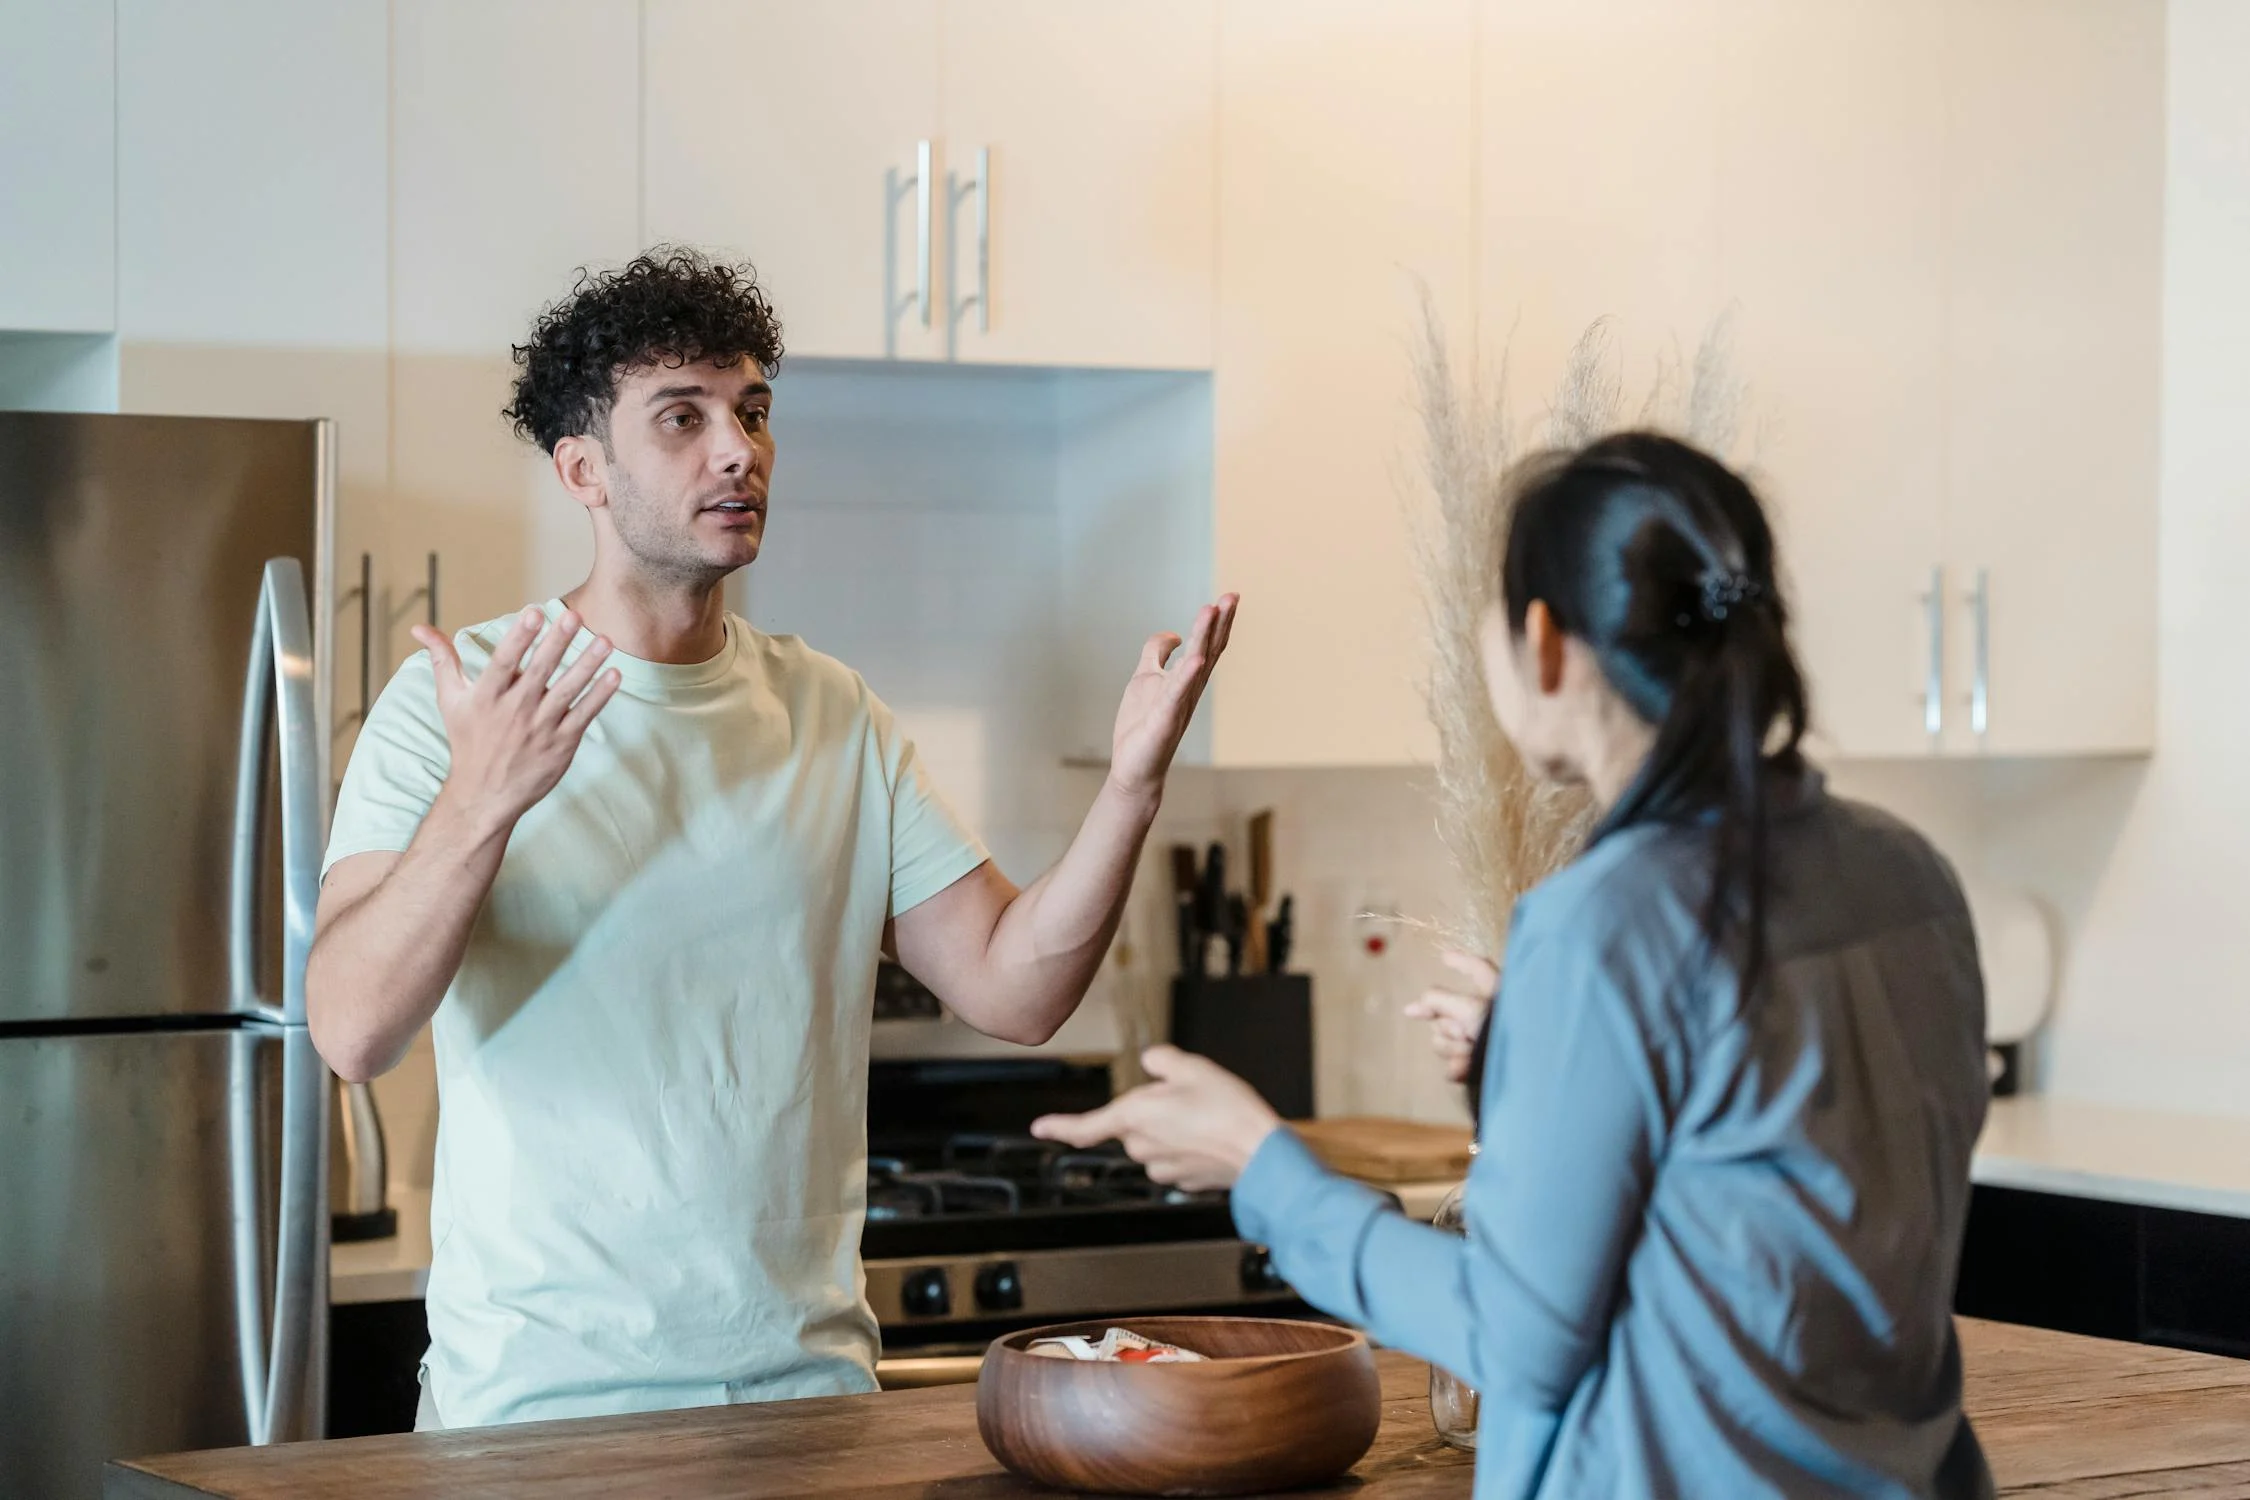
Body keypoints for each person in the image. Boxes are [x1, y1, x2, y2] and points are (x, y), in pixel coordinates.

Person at [309, 248, 1236, 1429]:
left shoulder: (832, 713)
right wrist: (485, 797)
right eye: (682, 419)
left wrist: (1131, 787)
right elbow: (349, 1029)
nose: (738, 449)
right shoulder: (467, 702)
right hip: (539, 1419)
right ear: (583, 470)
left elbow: (1016, 989)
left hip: (807, 1407)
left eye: (751, 412)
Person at [1036, 433, 1994, 1499]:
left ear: (1542, 641)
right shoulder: (1916, 876)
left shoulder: (1605, 924)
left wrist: (1263, 1165)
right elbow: (1770, 1201)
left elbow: (1517, 1334)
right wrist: (1529, 1050)